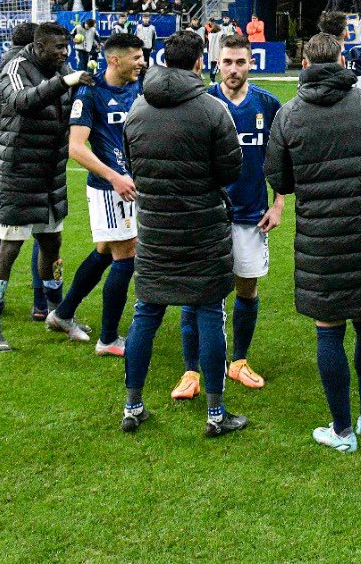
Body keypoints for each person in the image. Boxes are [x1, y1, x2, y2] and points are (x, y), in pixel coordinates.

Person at [266, 33, 361, 451]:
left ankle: (344, 429)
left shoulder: (290, 114)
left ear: (305, 63)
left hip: (320, 237)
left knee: (329, 327)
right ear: (342, 59)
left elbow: (280, 180)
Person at [119, 31, 246, 436]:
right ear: (198, 64)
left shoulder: (138, 108)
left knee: (146, 313)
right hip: (202, 228)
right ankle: (215, 414)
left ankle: (133, 405)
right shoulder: (211, 111)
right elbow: (231, 170)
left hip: (155, 227)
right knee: (210, 312)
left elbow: (135, 166)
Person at [178, 33, 284, 396]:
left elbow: (282, 159)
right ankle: (191, 371)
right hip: (206, 216)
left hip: (252, 215)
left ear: (251, 63)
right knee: (197, 293)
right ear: (216, 63)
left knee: (247, 288)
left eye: (241, 62)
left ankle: (238, 360)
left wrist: (279, 202)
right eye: (228, 62)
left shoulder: (268, 104)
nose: (234, 69)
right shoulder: (202, 102)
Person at [0, 23, 94, 351]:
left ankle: (59, 314)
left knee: (52, 244)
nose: (64, 52)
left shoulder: (63, 67)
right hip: (19, 175)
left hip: (51, 175)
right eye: (57, 47)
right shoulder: (16, 67)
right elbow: (21, 101)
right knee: (10, 249)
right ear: (38, 46)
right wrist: (64, 82)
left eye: (66, 47)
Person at [49, 33, 146, 355]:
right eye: (136, 57)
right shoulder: (90, 93)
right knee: (126, 257)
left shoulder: (140, 87)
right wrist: (114, 177)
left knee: (105, 251)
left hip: (130, 185)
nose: (142, 62)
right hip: (110, 188)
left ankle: (63, 313)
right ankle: (108, 339)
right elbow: (75, 148)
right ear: (114, 59)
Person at [0, 23, 45, 316]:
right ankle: (42, 304)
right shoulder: (41, 79)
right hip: (39, 165)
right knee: (44, 236)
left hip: (4, 162)